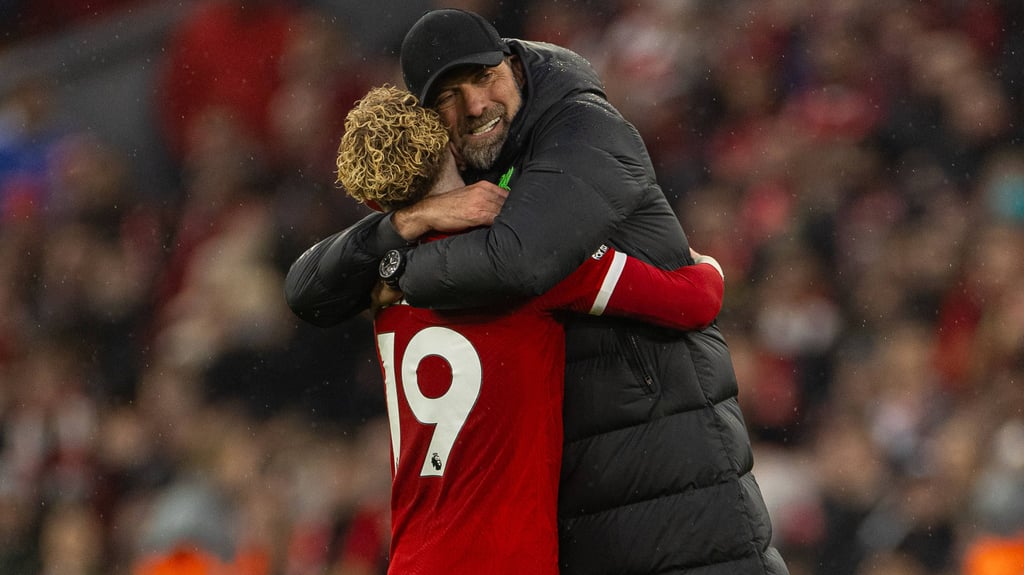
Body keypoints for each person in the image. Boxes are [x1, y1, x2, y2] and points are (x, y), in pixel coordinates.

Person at [286, 9, 788, 574]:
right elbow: (674, 294)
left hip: (671, 493)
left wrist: (400, 256)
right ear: (433, 130)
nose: (474, 104)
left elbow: (507, 259)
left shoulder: (580, 130)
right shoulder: (512, 255)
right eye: (449, 96)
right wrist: (709, 275)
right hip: (541, 536)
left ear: (515, 65)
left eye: (483, 78)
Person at [328, 83, 725, 574]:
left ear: (373, 203)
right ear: (450, 143)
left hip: (413, 559)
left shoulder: (382, 283)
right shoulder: (527, 257)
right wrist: (707, 266)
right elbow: (694, 302)